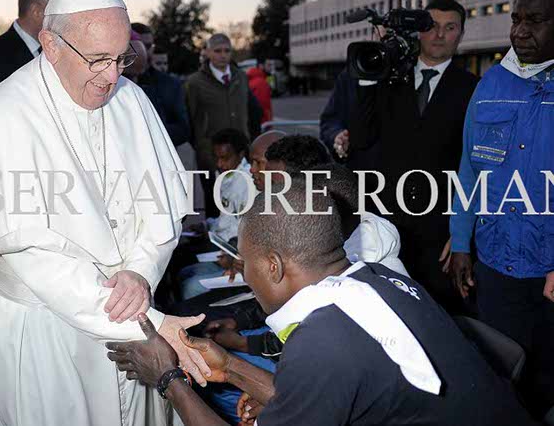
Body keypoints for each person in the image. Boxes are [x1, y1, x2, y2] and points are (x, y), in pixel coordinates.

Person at [0, 0, 210, 426]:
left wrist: (140, 272)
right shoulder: (2, 119)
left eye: (122, 58)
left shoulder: (131, 99)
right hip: (44, 329)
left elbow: (160, 212)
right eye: (98, 59)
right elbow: (34, 258)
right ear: (51, 44)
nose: (113, 76)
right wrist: (149, 322)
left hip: (134, 303)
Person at [106, 181, 537, 426]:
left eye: (246, 263)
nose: (247, 275)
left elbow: (326, 367)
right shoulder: (374, 281)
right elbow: (329, 390)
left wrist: (167, 378)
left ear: (273, 266)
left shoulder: (323, 339)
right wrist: (231, 367)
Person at [449, 0, 554, 421]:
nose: (519, 31)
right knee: (501, 378)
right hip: (495, 267)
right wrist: (460, 242)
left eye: (535, 21)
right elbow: (470, 170)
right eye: (515, 19)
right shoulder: (490, 84)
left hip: (548, 272)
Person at [349, 0, 479, 312]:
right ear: (418, 30)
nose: (439, 35)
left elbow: (477, 166)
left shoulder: (475, 88)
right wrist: (368, 78)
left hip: (441, 231)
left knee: (440, 317)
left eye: (450, 27)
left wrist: (463, 233)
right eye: (431, 26)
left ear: (461, 34)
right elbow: (362, 138)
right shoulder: (388, 79)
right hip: (387, 228)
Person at [179, 128, 252, 300]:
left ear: (241, 155)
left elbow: (241, 230)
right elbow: (226, 219)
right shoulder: (227, 176)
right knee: (182, 266)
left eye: (225, 158)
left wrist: (233, 255)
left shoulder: (246, 183)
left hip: (230, 250)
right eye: (217, 158)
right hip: (221, 243)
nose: (219, 164)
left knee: (187, 278)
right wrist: (207, 225)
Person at [187, 33, 254, 217]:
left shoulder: (241, 77)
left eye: (227, 50)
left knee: (244, 201)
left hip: (241, 154)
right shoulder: (195, 83)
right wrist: (202, 146)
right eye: (217, 51)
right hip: (211, 156)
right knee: (215, 204)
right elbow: (191, 118)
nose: (223, 55)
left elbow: (251, 112)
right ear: (208, 52)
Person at [131, 23, 190, 147]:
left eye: (148, 46)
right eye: (139, 46)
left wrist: (149, 134)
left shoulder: (170, 84)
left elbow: (183, 130)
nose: (144, 52)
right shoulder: (109, 83)